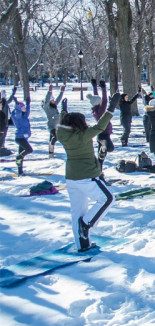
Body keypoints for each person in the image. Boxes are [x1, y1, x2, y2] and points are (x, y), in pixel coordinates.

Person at [57, 94, 119, 251]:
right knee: (108, 199)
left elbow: (63, 120)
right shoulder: (82, 136)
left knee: (77, 212)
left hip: (71, 178)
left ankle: (83, 245)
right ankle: (86, 225)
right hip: (87, 177)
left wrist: (63, 111)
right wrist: (110, 108)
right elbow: (100, 126)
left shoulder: (61, 133)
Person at [87, 79, 113, 177]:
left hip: (101, 134)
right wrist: (103, 88)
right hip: (104, 134)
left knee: (101, 158)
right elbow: (105, 100)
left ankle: (98, 173)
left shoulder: (95, 108)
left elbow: (96, 98)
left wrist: (95, 87)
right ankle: (102, 150)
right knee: (109, 148)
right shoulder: (101, 111)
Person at [9, 89, 32, 175]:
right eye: (23, 108)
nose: (24, 109)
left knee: (21, 154)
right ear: (19, 109)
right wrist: (17, 104)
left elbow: (27, 111)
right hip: (19, 138)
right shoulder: (17, 116)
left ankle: (20, 171)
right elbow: (16, 111)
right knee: (29, 150)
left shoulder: (24, 116)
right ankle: (18, 157)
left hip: (24, 138)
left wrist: (28, 104)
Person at [43, 84, 65, 157]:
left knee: (51, 139)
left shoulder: (54, 105)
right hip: (51, 126)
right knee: (55, 137)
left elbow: (58, 99)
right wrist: (49, 91)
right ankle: (51, 151)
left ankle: (51, 154)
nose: (53, 100)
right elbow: (46, 100)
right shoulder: (47, 107)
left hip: (56, 125)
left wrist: (62, 91)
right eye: (52, 99)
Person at [0, 91, 9, 156]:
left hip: (5, 123)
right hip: (2, 123)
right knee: (2, 136)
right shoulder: (2, 103)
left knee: (3, 136)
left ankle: (2, 147)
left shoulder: (5, 102)